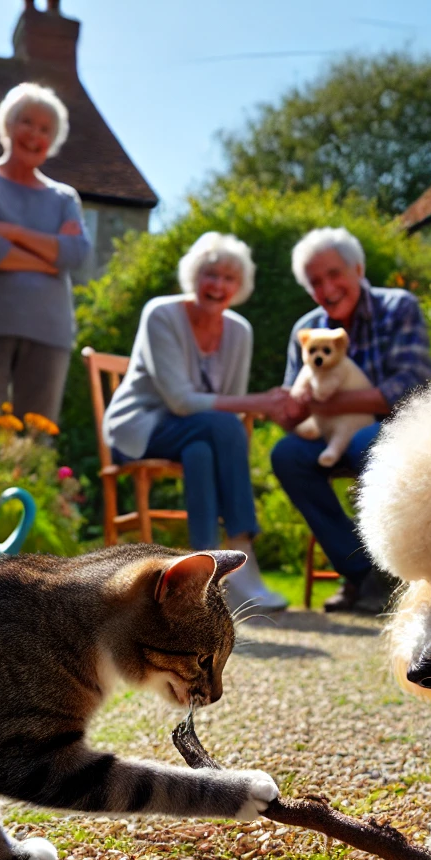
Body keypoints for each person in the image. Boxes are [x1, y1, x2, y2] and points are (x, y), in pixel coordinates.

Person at [103, 232, 290, 614]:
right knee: (221, 428)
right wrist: (261, 402)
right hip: (139, 429)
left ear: (239, 286)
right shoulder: (162, 314)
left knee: (203, 448)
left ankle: (205, 574)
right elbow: (181, 400)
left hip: (196, 433)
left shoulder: (240, 331)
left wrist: (249, 406)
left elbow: (223, 406)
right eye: (210, 274)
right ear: (193, 276)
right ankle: (243, 555)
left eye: (228, 278)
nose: (218, 285)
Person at [271, 228, 431, 614]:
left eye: (333, 274)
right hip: (327, 434)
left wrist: (326, 403)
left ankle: (388, 569)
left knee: (367, 442)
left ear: (358, 268)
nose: (326, 288)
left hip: (392, 429)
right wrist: (287, 410)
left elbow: (409, 386)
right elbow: (296, 402)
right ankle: (361, 572)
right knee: (287, 455)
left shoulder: (398, 307)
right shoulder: (306, 329)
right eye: (315, 282)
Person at [0, 83, 90, 423]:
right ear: (8, 125)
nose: (34, 134)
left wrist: (11, 232)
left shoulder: (64, 198)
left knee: (35, 443)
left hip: (48, 332)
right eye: (27, 122)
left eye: (45, 129)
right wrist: (49, 257)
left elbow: (76, 255)